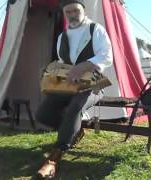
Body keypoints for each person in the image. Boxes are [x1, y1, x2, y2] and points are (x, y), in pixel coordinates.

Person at [35, 0, 113, 178]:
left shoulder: (95, 29)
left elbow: (107, 55)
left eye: (75, 10)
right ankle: (73, 130)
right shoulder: (62, 36)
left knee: (74, 108)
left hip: (92, 85)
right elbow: (63, 63)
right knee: (43, 114)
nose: (72, 14)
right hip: (68, 86)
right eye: (68, 11)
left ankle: (55, 157)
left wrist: (84, 66)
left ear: (83, 10)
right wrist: (50, 71)